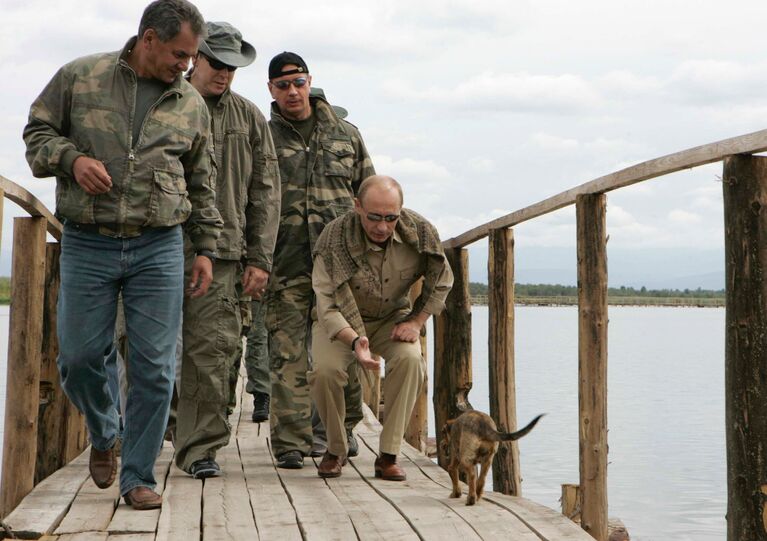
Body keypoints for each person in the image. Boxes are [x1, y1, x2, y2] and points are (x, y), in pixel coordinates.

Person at [22, 0, 222, 510]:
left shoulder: (190, 103)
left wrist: (204, 247)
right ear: (148, 39)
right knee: (79, 358)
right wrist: (72, 159)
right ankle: (105, 431)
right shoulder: (79, 76)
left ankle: (137, 475)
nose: (186, 65)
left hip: (160, 245)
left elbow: (203, 180)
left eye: (191, 57)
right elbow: (36, 134)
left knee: (156, 368)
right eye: (180, 54)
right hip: (88, 240)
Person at [173, 21, 280, 479]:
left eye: (233, 67)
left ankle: (200, 449)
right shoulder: (163, 102)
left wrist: (260, 259)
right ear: (196, 56)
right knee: (138, 348)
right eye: (217, 63)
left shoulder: (250, 117)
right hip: (159, 246)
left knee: (212, 353)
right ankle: (149, 430)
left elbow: (266, 192)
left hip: (224, 254)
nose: (225, 74)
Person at [266, 52, 375, 469]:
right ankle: (290, 442)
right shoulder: (263, 138)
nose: (292, 92)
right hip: (284, 260)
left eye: (298, 82)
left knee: (341, 349)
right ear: (271, 90)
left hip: (339, 265)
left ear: (309, 82)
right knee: (287, 352)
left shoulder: (345, 135)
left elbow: (368, 195)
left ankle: (339, 432)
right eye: (282, 85)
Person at [309, 175, 453, 480]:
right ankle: (336, 449)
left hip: (391, 319)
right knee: (325, 370)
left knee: (412, 361)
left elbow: (442, 279)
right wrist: (354, 341)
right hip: (341, 322)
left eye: (391, 218)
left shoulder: (421, 233)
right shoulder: (333, 239)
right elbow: (326, 304)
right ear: (358, 206)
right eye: (374, 217)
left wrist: (416, 321)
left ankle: (388, 455)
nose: (382, 227)